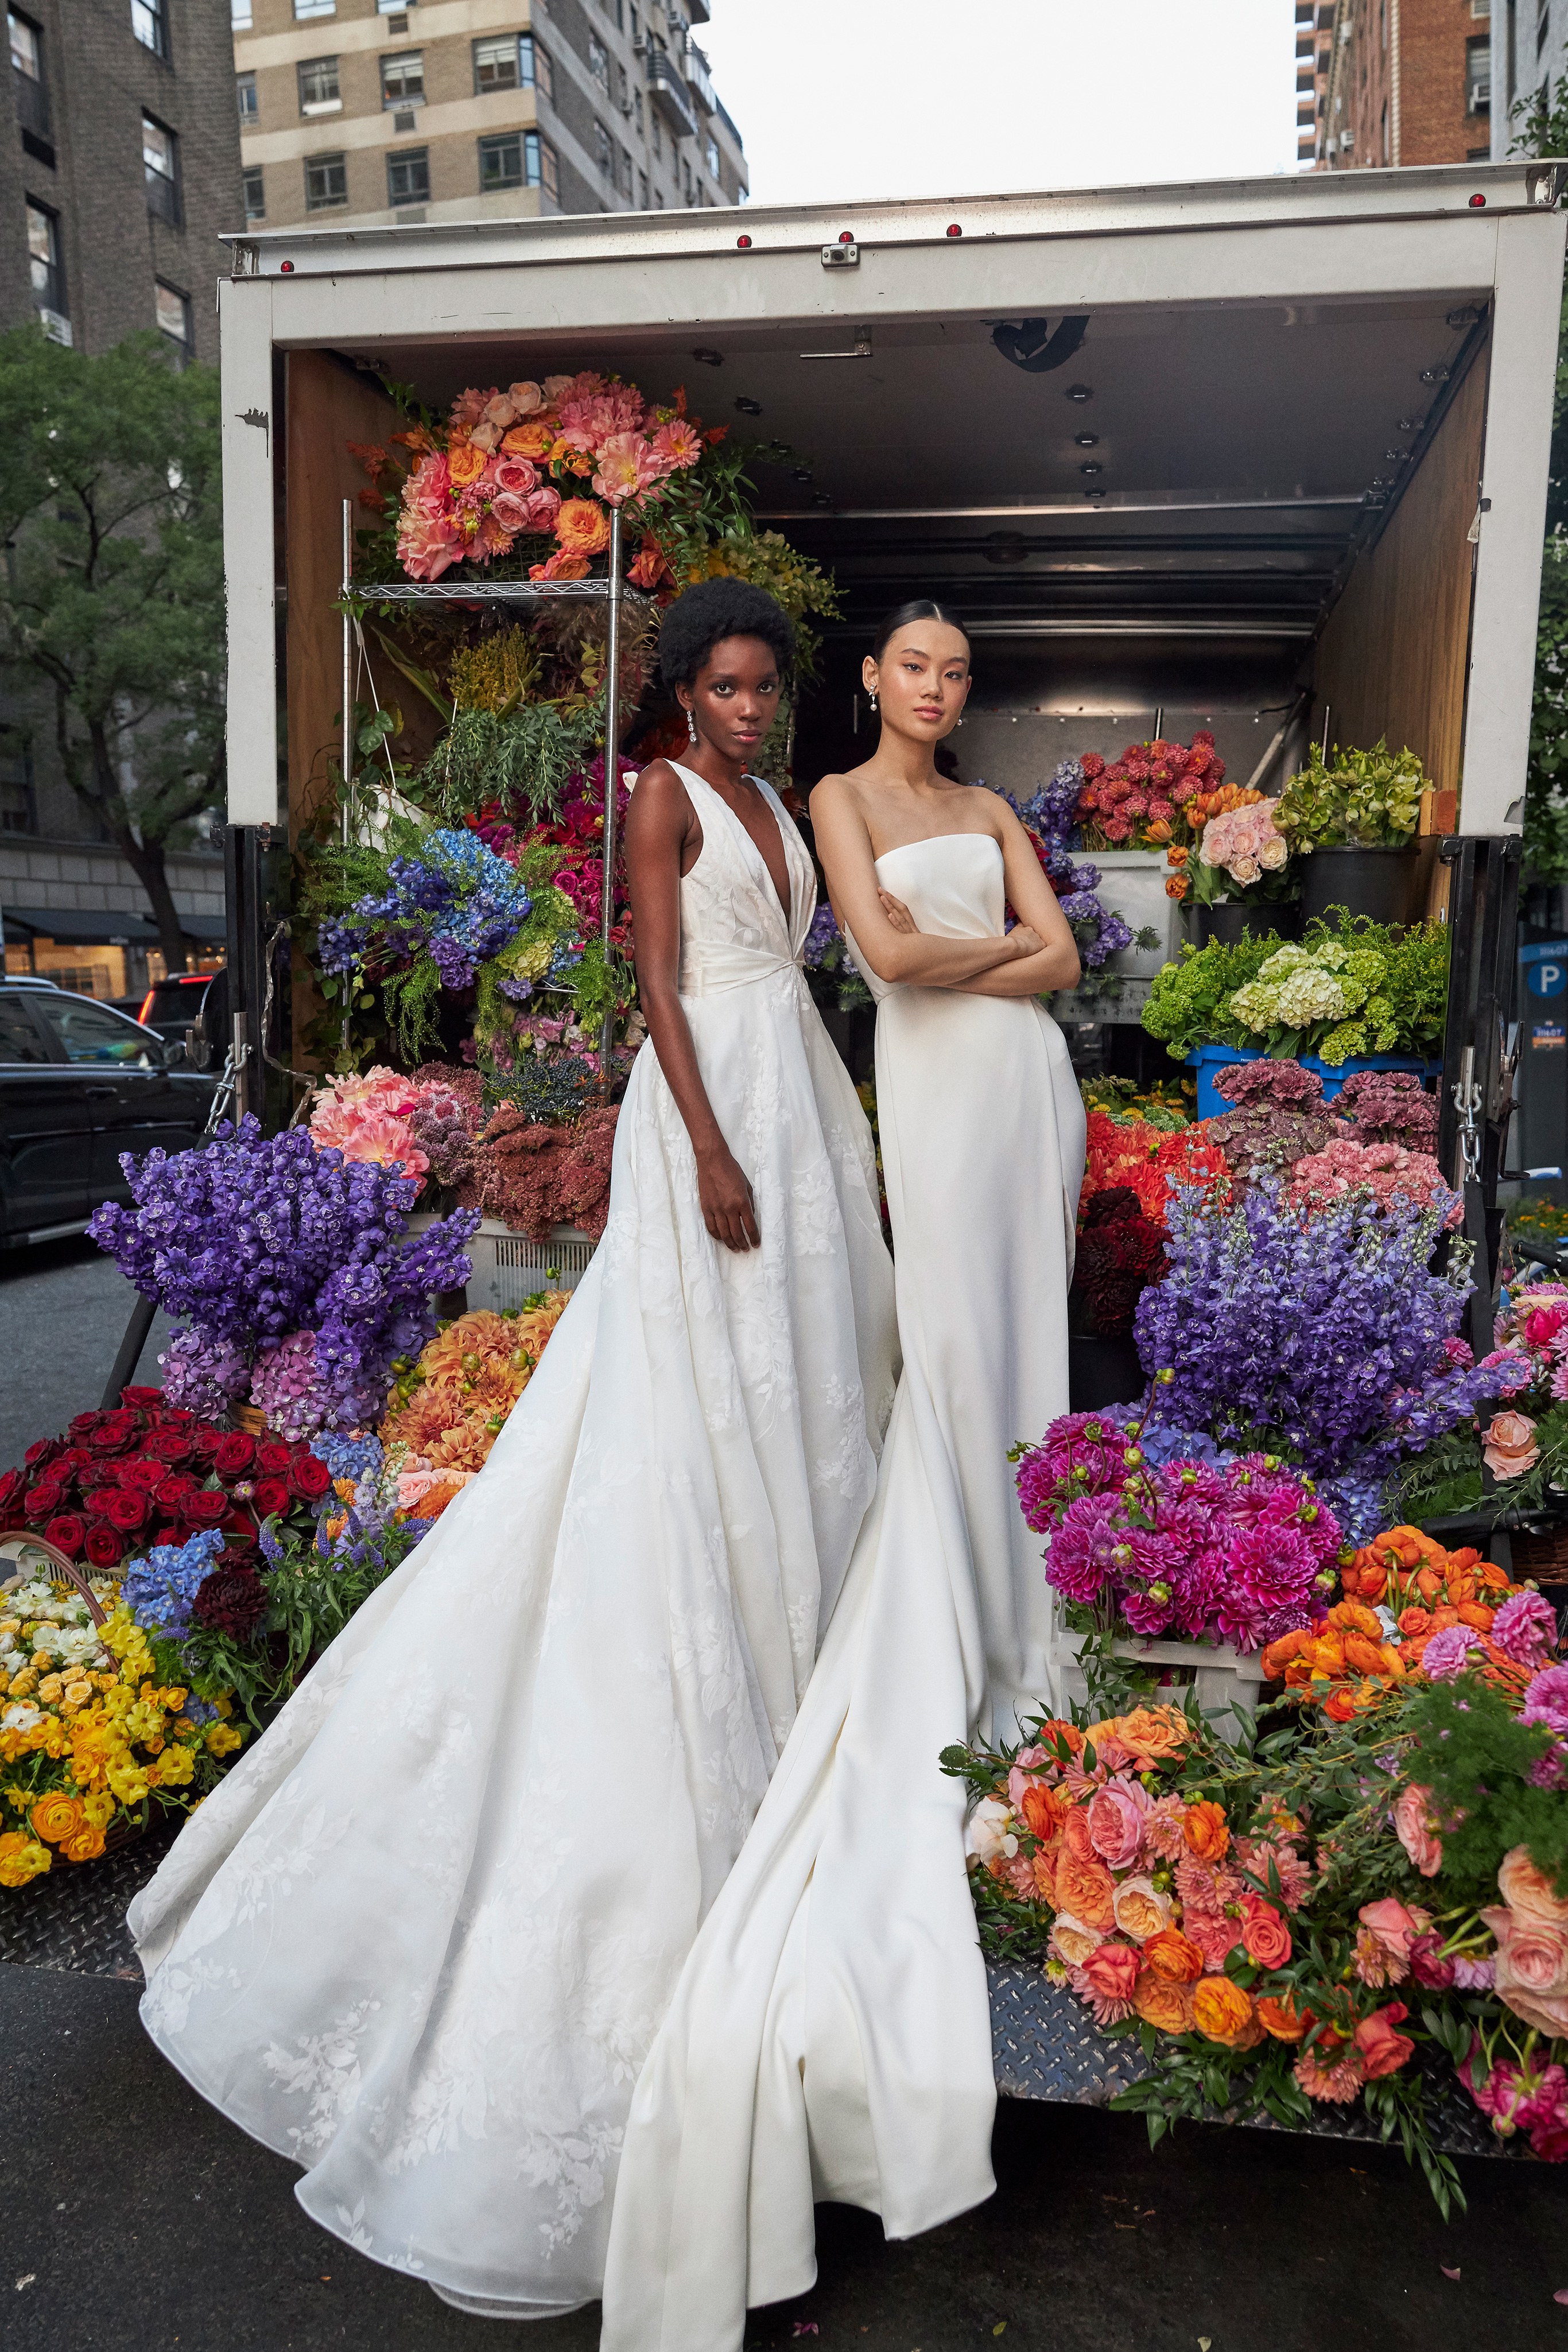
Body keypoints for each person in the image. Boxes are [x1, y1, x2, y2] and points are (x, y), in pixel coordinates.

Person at [127, 578, 898, 2321]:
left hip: (806, 1108)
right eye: (725, 683)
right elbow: (656, 981)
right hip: (710, 1121)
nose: (751, 706)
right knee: (686, 1429)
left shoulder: (780, 807)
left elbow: (800, 971)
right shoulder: (662, 798)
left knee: (809, 1420)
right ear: (681, 696)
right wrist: (699, 1149)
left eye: (767, 684)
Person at [601, 599, 1085, 2352]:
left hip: (903, 1095)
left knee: (863, 1370)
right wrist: (971, 963)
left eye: (956, 669)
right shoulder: (753, 796)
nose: (933, 688)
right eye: (908, 665)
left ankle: (938, 1594)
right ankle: (836, 1610)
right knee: (868, 1363)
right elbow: (847, 957)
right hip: (799, 1093)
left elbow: (1044, 963)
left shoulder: (892, 809)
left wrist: (972, 963)